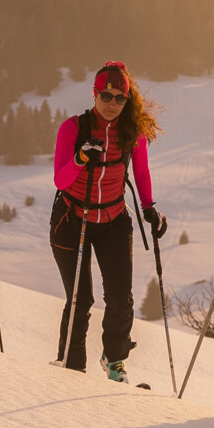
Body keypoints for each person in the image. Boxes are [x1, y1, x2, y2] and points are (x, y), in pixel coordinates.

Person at [51, 61, 168, 384]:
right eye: (106, 95)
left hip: (114, 219)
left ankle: (114, 360)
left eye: (119, 98)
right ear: (95, 93)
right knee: (80, 297)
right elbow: (60, 180)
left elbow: (141, 172)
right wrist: (80, 158)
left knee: (120, 299)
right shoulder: (73, 128)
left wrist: (149, 208)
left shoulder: (132, 132)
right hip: (72, 219)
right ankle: (71, 366)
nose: (112, 103)